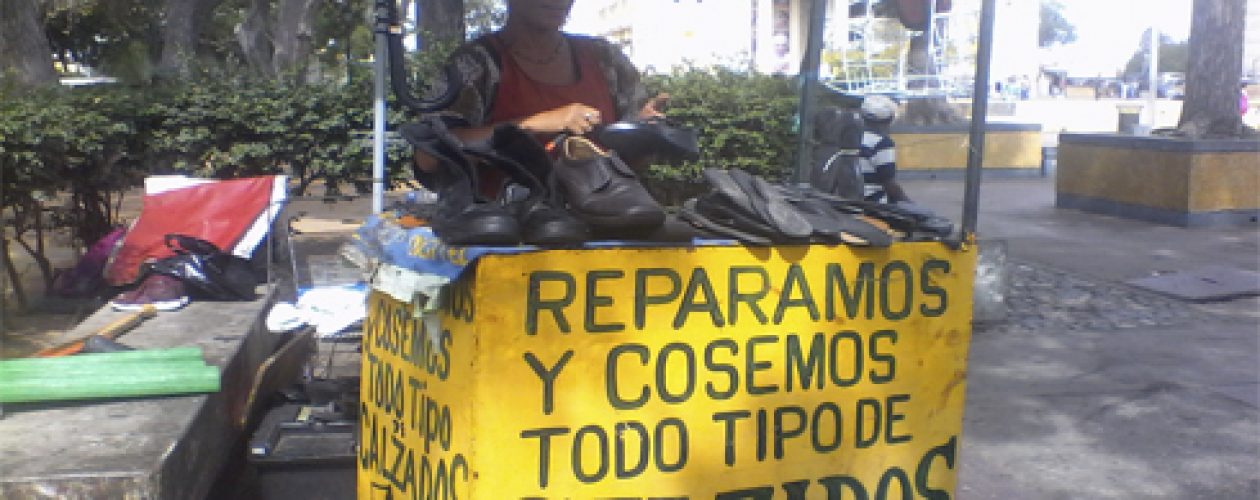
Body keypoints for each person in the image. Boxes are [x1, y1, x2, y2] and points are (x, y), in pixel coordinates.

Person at [415, 0, 667, 187]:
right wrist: (538, 124)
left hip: (600, 225)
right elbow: (429, 156)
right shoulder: (475, 65)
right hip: (504, 235)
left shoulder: (605, 59)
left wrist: (644, 134)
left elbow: (632, 164)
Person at [856, 95, 912, 204]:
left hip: (851, 200)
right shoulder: (882, 143)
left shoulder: (854, 138)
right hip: (874, 204)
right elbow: (889, 183)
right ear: (889, 120)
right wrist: (910, 205)